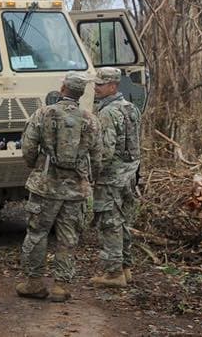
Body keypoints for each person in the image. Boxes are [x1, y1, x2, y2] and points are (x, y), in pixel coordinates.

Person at [16, 71, 102, 302]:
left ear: (63, 89)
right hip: (76, 189)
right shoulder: (91, 120)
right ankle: (61, 286)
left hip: (45, 186)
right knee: (68, 236)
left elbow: (28, 147)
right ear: (81, 93)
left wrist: (35, 165)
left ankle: (34, 283)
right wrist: (89, 178)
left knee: (37, 233)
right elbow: (98, 157)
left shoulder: (43, 113)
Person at [89, 67, 142, 288]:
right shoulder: (131, 108)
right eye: (96, 84)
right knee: (123, 221)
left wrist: (92, 173)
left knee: (109, 222)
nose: (96, 88)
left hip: (112, 176)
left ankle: (113, 273)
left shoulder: (107, 113)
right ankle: (125, 269)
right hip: (130, 172)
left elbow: (106, 151)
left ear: (113, 86)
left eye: (101, 84)